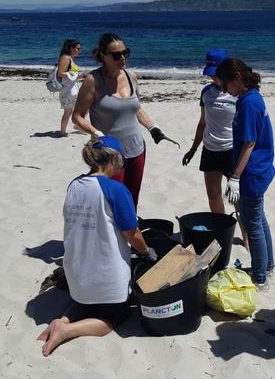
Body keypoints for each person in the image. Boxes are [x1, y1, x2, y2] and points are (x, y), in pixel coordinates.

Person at [38, 135, 157, 357]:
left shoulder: (74, 185)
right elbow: (132, 233)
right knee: (116, 318)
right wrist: (146, 252)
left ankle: (61, 319)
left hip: (77, 273)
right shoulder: (115, 190)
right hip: (105, 276)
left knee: (86, 303)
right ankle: (66, 329)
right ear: (113, 160)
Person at [72, 32, 174, 209]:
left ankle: (128, 235)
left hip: (137, 149)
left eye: (125, 53)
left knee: (131, 200)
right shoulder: (93, 81)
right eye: (116, 55)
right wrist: (97, 134)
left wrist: (153, 127)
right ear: (103, 56)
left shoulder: (131, 76)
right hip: (109, 154)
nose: (122, 58)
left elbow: (135, 108)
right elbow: (77, 117)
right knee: (112, 203)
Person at [214, 58, 275, 289]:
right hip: (259, 168)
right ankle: (267, 266)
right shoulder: (248, 98)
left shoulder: (249, 103)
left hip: (253, 171)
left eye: (225, 86)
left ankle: (260, 278)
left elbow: (249, 143)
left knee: (252, 225)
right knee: (260, 219)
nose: (224, 91)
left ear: (238, 79)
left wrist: (235, 177)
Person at [182, 48, 248, 248]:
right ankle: (222, 232)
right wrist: (193, 149)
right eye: (209, 73)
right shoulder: (206, 93)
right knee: (214, 196)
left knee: (237, 198)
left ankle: (246, 237)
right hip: (210, 149)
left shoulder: (238, 93)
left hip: (231, 150)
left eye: (215, 73)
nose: (212, 77)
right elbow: (203, 123)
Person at [56, 39, 83, 136]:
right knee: (68, 111)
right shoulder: (65, 58)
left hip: (72, 88)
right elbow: (60, 73)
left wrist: (78, 75)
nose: (80, 50)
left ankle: (78, 126)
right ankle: (63, 132)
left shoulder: (70, 58)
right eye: (78, 48)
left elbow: (70, 72)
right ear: (71, 48)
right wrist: (77, 75)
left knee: (78, 109)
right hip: (67, 90)